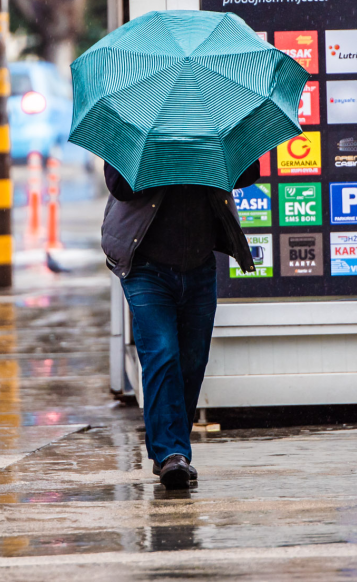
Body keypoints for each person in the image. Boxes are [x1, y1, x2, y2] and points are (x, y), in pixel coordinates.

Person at [101, 160, 261, 489]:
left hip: (199, 264)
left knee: (192, 361)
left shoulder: (209, 131)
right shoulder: (139, 129)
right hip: (145, 265)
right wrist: (166, 159)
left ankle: (171, 449)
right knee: (162, 352)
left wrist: (206, 150)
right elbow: (119, 186)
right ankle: (171, 452)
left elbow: (248, 173)